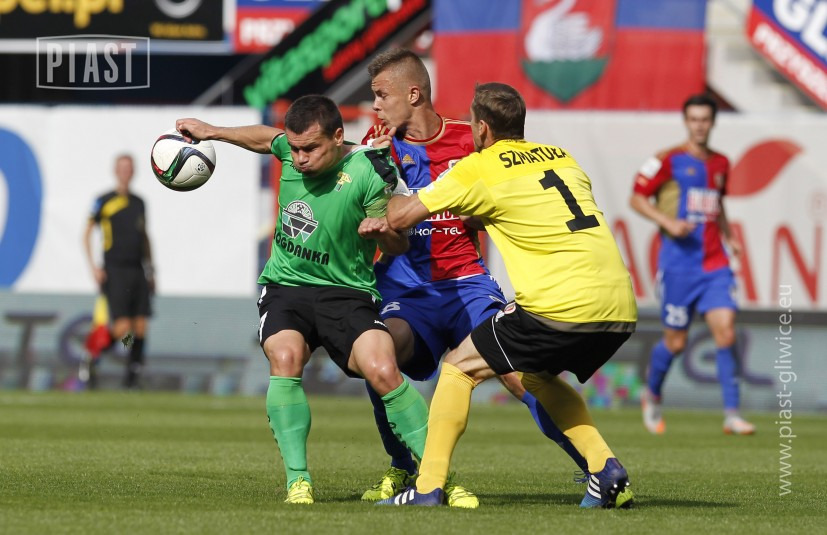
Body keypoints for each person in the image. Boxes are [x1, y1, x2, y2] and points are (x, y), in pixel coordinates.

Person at [378, 82, 637, 508]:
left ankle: (427, 489)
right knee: (534, 376)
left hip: (559, 305)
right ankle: (603, 469)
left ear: (481, 128)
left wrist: (380, 173)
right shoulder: (561, 157)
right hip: (619, 304)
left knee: (458, 368)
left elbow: (401, 217)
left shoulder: (479, 167)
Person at [174, 95, 431, 505]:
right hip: (286, 287)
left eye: (310, 148)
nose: (299, 158)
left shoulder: (369, 170)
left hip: (348, 292)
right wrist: (212, 132)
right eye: (294, 149)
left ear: (338, 136)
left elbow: (399, 244)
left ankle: (438, 478)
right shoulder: (290, 153)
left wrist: (383, 231)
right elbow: (266, 139)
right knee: (285, 356)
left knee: (383, 370)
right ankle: (298, 482)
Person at [630, 94, 755, 436]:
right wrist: (668, 223)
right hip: (678, 266)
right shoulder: (667, 160)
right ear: (686, 122)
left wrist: (729, 236)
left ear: (713, 122)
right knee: (676, 343)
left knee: (726, 332)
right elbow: (636, 198)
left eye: (705, 119)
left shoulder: (721, 163)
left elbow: (717, 205)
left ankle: (732, 414)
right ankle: (652, 393)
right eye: (694, 119)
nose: (699, 125)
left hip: (714, 263)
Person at [84, 154, 154, 389]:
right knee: (124, 328)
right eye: (122, 168)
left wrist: (151, 269)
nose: (126, 172)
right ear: (116, 171)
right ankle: (94, 355)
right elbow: (87, 233)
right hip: (115, 269)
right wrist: (94, 267)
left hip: (137, 268)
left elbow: (144, 236)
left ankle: (132, 375)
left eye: (129, 168)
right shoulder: (104, 200)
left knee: (140, 325)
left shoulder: (139, 202)